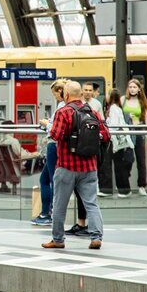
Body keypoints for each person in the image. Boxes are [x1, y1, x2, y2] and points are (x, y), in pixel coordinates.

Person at [43, 81, 109, 250]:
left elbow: (56, 135)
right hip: (89, 167)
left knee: (59, 204)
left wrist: (50, 128)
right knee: (91, 203)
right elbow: (106, 135)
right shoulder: (92, 111)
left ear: (66, 95)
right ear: (80, 94)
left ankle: (58, 239)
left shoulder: (63, 112)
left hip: (67, 166)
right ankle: (96, 237)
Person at [32, 80, 67, 226]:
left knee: (52, 180)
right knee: (45, 179)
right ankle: (46, 212)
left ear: (60, 91)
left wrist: (46, 124)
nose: (54, 97)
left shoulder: (62, 105)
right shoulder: (65, 105)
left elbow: (57, 128)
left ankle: (49, 213)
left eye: (54, 93)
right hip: (54, 144)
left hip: (54, 145)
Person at [84, 83, 113, 195]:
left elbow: (101, 120)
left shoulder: (97, 104)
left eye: (90, 90)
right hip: (84, 137)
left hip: (95, 137)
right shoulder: (80, 102)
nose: (87, 92)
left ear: (93, 91)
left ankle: (95, 185)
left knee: (96, 162)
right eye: (85, 90)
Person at [122, 78, 147, 196]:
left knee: (141, 160)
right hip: (127, 131)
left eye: (134, 87)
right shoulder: (123, 100)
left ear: (139, 89)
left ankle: (142, 185)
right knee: (127, 160)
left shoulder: (142, 101)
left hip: (138, 131)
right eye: (130, 87)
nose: (132, 89)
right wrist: (127, 116)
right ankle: (125, 185)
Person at [105, 88, 134, 197]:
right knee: (120, 165)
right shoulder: (117, 107)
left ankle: (124, 190)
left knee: (119, 166)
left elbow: (114, 125)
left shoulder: (113, 108)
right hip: (122, 142)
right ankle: (123, 190)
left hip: (118, 142)